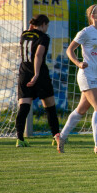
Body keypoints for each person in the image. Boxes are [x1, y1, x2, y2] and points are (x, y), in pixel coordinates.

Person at [58, 4, 97, 154]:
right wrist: (79, 63)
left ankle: (62, 136)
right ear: (92, 16)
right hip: (86, 74)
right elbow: (69, 50)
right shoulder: (85, 32)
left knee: (82, 109)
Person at [16, 14, 60, 148]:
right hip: (40, 75)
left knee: (24, 106)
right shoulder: (43, 37)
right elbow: (38, 55)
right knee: (50, 106)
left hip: (24, 74)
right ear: (43, 24)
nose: (47, 29)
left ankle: (20, 139)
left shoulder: (24, 35)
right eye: (47, 26)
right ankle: (55, 136)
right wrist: (36, 74)